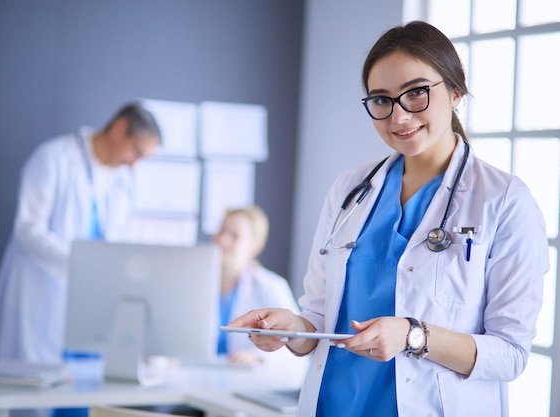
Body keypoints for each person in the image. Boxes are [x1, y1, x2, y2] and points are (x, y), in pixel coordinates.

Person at [228, 20, 549, 416]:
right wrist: (290, 329)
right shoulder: (350, 189)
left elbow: (510, 354)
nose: (399, 117)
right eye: (381, 100)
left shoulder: (504, 201)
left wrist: (414, 336)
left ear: (455, 91)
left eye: (416, 93)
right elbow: (317, 317)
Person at [0, 101, 162, 365]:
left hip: (90, 304)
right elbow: (28, 230)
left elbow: (120, 237)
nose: (134, 165)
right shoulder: (54, 158)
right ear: (119, 129)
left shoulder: (121, 179)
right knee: (32, 390)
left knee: (84, 390)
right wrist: (81, 262)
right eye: (137, 152)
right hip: (42, 295)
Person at [213, 205, 300, 366]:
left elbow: (296, 342)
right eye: (221, 232)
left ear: (255, 246)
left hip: (245, 379)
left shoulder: (271, 286)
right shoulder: (193, 284)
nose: (222, 240)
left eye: (234, 236)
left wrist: (257, 356)